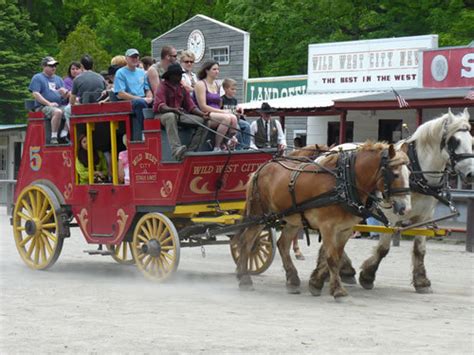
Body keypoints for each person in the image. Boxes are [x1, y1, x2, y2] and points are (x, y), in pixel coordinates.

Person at [153, 63, 210, 160]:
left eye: (180, 74)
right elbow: (160, 106)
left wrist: (202, 114)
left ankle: (191, 151)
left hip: (179, 115)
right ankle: (176, 150)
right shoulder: (162, 86)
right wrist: (173, 109)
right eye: (177, 74)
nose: (180, 77)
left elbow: (191, 106)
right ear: (171, 75)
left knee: (204, 122)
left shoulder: (182, 88)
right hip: (162, 116)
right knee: (170, 116)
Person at [194, 61, 239, 151]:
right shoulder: (200, 84)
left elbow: (219, 104)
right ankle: (217, 146)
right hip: (205, 114)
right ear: (207, 71)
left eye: (218, 69)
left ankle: (229, 141)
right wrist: (223, 112)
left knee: (233, 117)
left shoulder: (217, 85)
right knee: (226, 118)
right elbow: (203, 106)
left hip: (216, 113)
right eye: (214, 69)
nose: (217, 71)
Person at [29, 56, 70, 144]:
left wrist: (65, 94)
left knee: (70, 110)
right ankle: (54, 138)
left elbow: (64, 98)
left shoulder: (59, 79)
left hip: (58, 105)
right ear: (44, 66)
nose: (54, 67)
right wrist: (49, 103)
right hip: (42, 107)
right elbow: (35, 94)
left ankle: (64, 133)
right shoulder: (37, 77)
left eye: (55, 66)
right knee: (57, 112)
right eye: (51, 66)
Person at [114, 48, 153, 141]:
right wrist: (139, 98)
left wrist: (150, 97)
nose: (134, 59)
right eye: (132, 57)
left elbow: (147, 89)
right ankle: (145, 132)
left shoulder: (142, 72)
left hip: (142, 99)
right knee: (139, 103)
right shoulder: (120, 73)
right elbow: (120, 93)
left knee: (157, 102)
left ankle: (159, 131)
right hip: (128, 102)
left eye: (136, 57)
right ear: (126, 59)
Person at [221, 78, 251, 150]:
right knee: (237, 128)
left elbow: (235, 111)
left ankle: (246, 147)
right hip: (229, 120)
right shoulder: (222, 99)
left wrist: (239, 113)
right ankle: (239, 148)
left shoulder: (234, 100)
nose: (234, 91)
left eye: (235, 89)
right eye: (232, 89)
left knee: (246, 125)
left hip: (236, 119)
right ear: (225, 89)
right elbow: (220, 111)